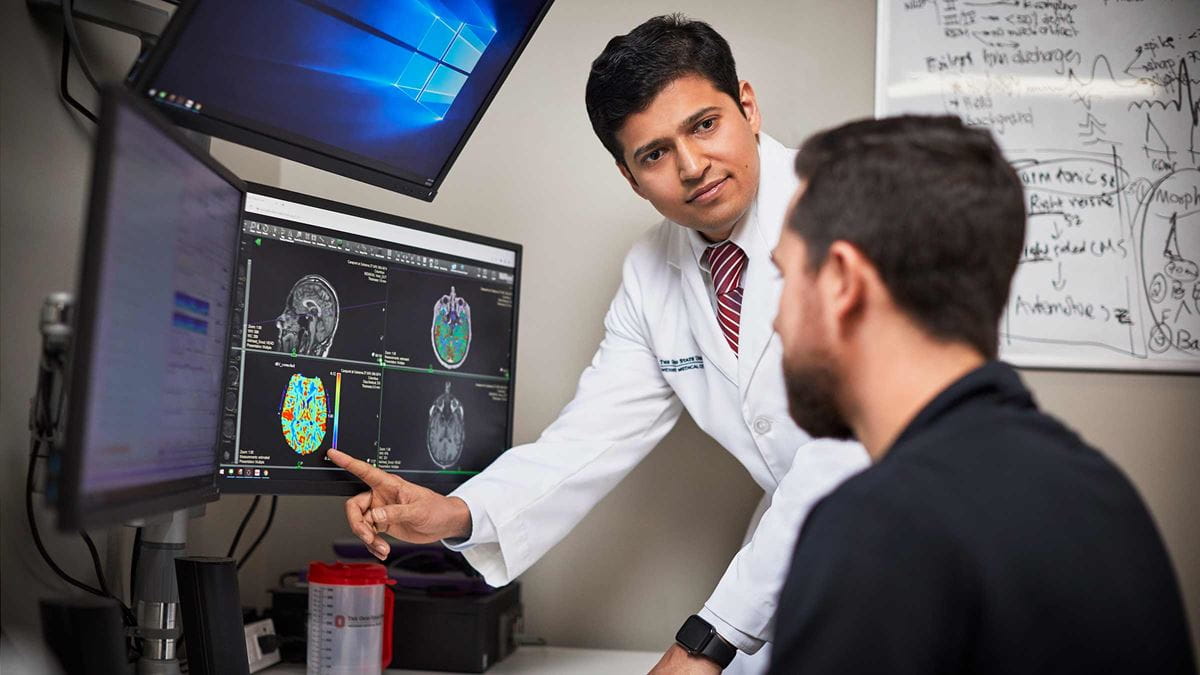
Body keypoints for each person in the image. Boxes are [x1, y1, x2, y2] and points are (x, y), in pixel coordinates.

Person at [327, 14, 869, 674]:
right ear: (630, 175)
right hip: (801, 564)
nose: (692, 166)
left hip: (914, 547)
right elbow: (590, 439)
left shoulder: (849, 215)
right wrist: (459, 512)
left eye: (704, 125)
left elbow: (840, 455)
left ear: (747, 107)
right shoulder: (651, 271)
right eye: (655, 153)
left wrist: (708, 639)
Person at [767, 115, 1197, 674]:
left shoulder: (877, 529)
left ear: (843, 281)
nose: (776, 321)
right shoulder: (1102, 491)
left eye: (785, 277)